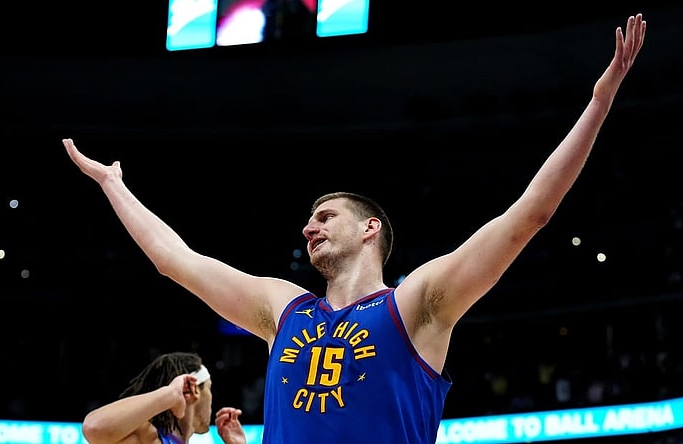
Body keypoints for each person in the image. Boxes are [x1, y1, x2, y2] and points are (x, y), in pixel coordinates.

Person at [63, 13, 647, 444]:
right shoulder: (283, 308)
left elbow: (528, 216)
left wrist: (597, 103)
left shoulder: (419, 302)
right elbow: (177, 260)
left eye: (325, 216)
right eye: (309, 220)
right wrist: (114, 184)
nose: (308, 228)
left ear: (371, 230)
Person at [81, 351, 246, 444]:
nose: (212, 397)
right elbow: (93, 427)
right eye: (209, 388)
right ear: (194, 389)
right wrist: (170, 394)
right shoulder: (146, 437)